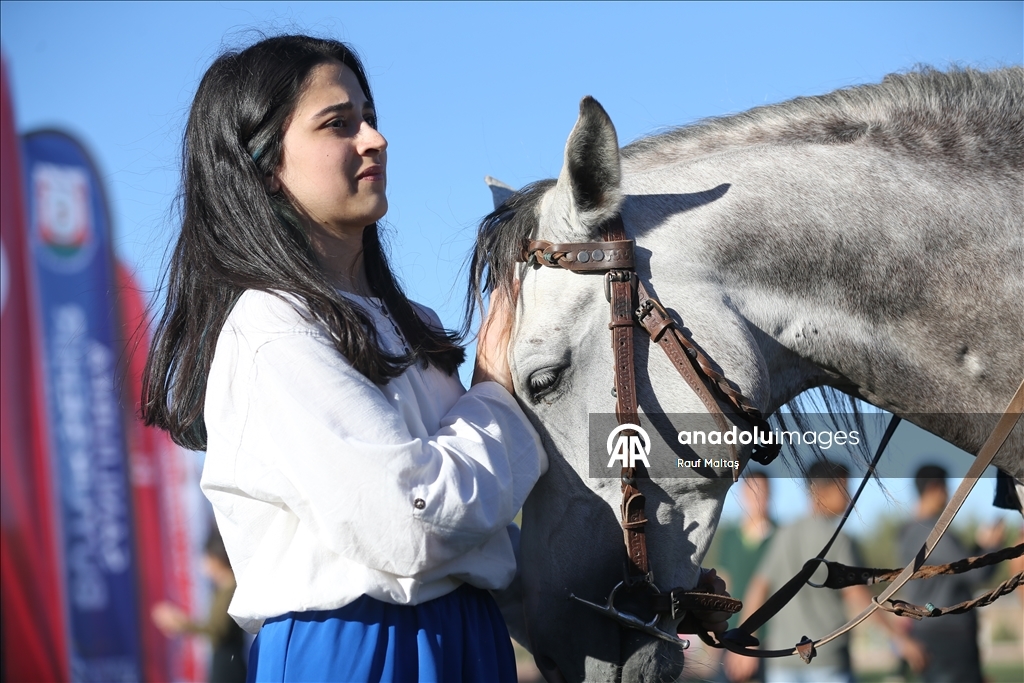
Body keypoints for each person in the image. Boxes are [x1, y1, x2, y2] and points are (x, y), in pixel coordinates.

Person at [142, 34, 733, 682]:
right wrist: (497, 388)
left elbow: (472, 542)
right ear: (262, 166)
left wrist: (642, 593)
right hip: (352, 650)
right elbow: (414, 522)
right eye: (339, 124)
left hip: (473, 639)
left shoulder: (410, 324)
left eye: (369, 117)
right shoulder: (271, 328)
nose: (375, 138)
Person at [725, 461, 925, 683]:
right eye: (844, 488)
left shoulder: (784, 535)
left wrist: (745, 637)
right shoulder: (839, 540)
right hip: (826, 661)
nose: (849, 498)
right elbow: (857, 596)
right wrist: (899, 638)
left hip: (782, 660)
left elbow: (759, 586)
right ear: (824, 490)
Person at [896, 464, 1003, 683]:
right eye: (947, 490)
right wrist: (993, 547)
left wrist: (977, 547)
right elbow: (976, 574)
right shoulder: (932, 532)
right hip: (949, 635)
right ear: (935, 488)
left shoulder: (910, 531)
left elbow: (953, 570)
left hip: (932, 630)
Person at [152, 527, 247, 683]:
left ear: (216, 559)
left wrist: (182, 624)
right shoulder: (222, 589)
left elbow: (218, 630)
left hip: (229, 666)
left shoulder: (230, 589)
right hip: (225, 662)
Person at [706, 470, 775, 683]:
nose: (757, 498)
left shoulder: (780, 536)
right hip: (731, 634)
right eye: (751, 491)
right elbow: (724, 583)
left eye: (762, 492)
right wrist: (713, 630)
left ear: (770, 495)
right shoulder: (729, 537)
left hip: (769, 639)